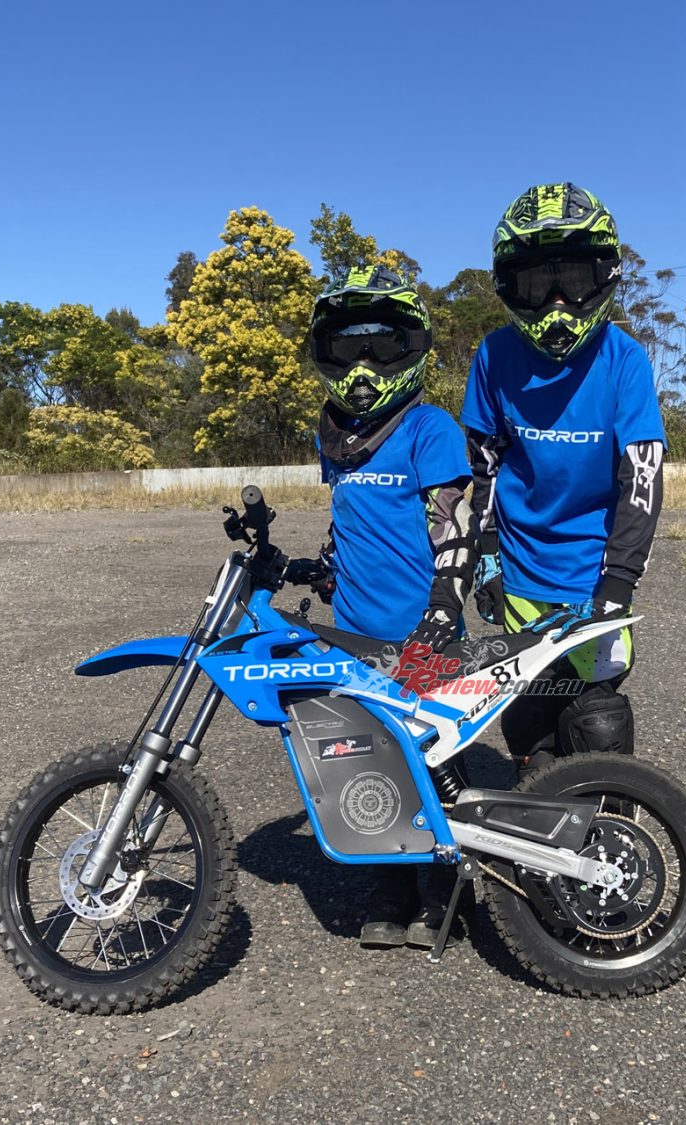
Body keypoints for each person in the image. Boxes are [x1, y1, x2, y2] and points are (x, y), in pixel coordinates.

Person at [284, 265, 474, 949]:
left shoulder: (430, 428)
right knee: (368, 762)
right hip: (355, 635)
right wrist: (319, 567)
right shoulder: (333, 436)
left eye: (381, 347)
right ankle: (391, 893)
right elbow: (345, 518)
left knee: (434, 766)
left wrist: (444, 612)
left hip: (423, 630)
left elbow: (456, 526)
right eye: (348, 346)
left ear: (411, 349)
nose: (362, 365)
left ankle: (446, 896)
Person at [461, 183, 667, 782]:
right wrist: (487, 559)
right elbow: (484, 468)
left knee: (597, 719)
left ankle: (603, 831)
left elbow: (643, 478)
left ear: (603, 275)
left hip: (593, 574)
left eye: (573, 281)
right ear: (508, 287)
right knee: (530, 719)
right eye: (535, 285)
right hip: (522, 575)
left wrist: (620, 580)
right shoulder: (494, 356)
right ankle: (539, 834)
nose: (556, 304)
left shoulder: (624, 359)